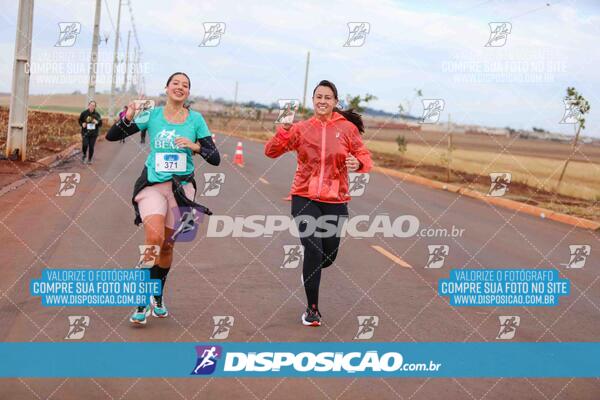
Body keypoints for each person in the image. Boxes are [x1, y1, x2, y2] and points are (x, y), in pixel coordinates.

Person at [106, 72, 220, 325]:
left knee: (167, 245)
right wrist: (129, 115)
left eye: (185, 85)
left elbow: (215, 158)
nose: (180, 88)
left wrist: (195, 147)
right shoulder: (153, 115)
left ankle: (157, 295)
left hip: (182, 189)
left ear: (188, 93)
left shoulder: (196, 119)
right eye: (176, 83)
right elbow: (112, 136)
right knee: (153, 238)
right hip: (153, 185)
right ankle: (141, 300)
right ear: (166, 88)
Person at [265, 80, 372, 327]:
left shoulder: (347, 129)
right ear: (313, 101)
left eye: (327, 97)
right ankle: (312, 309)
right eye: (318, 97)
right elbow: (270, 152)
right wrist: (282, 131)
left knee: (328, 256)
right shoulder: (301, 128)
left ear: (335, 102)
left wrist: (359, 164)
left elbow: (363, 156)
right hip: (304, 196)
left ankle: (310, 268)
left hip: (336, 199)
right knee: (313, 249)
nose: (322, 101)